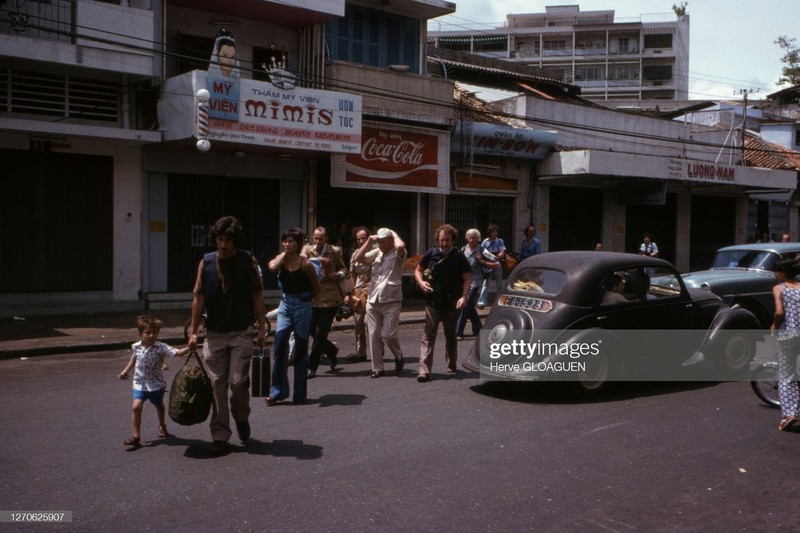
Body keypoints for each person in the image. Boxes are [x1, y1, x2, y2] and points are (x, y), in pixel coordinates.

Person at [188, 216, 267, 456]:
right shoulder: (206, 263)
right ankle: (220, 435)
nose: (223, 245)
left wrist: (262, 328)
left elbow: (257, 296)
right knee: (216, 387)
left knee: (237, 382)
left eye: (228, 241)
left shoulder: (247, 261)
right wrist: (193, 332)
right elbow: (199, 298)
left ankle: (241, 416)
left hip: (242, 331)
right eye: (220, 239)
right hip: (214, 334)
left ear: (235, 242)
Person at [265, 227, 321, 405]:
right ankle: (277, 391)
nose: (287, 244)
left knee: (300, 349)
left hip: (303, 307)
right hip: (285, 306)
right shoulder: (281, 261)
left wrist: (304, 303)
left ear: (299, 244)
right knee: (280, 346)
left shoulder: (306, 264)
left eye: (291, 241)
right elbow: (272, 267)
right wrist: (283, 254)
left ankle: (299, 394)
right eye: (285, 241)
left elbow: (316, 288)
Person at [119, 315, 189, 448]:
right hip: (139, 383)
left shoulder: (161, 347)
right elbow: (134, 360)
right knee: (136, 407)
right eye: (147, 332)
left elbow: (178, 353)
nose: (151, 335)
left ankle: (162, 425)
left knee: (158, 405)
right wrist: (125, 371)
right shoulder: (136, 347)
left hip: (156, 384)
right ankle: (136, 436)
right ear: (140, 334)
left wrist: (189, 347)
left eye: (155, 332)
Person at [415, 224, 471, 381]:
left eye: (447, 240)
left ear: (453, 239)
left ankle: (451, 363)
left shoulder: (459, 256)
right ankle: (424, 370)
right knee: (428, 335)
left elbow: (467, 278)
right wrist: (421, 282)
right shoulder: (431, 253)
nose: (444, 243)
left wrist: (464, 296)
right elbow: (418, 270)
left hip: (452, 303)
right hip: (433, 302)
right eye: (441, 240)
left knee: (450, 335)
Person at [352, 227, 407, 378]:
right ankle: (377, 368)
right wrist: (370, 241)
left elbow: (401, 245)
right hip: (373, 298)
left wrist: (393, 232)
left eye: (384, 241)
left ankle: (398, 355)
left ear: (390, 240)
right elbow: (358, 258)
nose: (381, 245)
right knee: (373, 334)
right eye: (380, 242)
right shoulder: (377, 253)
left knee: (388, 335)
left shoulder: (398, 253)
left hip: (391, 300)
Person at [302, 226, 347, 379]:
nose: (317, 241)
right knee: (311, 330)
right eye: (315, 237)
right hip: (314, 296)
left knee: (321, 332)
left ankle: (312, 367)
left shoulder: (334, 251)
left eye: (320, 238)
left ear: (326, 238)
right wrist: (316, 260)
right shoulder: (307, 249)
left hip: (331, 297)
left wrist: (338, 274)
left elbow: (343, 268)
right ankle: (331, 350)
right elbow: (301, 262)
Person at [770, 259, 800, 431]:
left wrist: (774, 325)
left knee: (787, 374)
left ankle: (789, 414)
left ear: (781, 273)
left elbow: (779, 312)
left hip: (789, 336)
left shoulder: (779, 288)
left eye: (776, 272)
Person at [457, 229, 498, 340]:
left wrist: (482, 261)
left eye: (474, 238)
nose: (471, 240)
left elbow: (496, 264)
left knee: (465, 305)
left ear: (478, 239)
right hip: (464, 282)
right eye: (469, 238)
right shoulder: (463, 250)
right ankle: (479, 329)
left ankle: (458, 332)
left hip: (476, 282)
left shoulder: (482, 251)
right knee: (470, 307)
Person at [346, 227, 371, 363]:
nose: (361, 241)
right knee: (359, 323)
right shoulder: (355, 254)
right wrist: (350, 293)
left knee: (370, 323)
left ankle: (377, 350)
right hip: (359, 292)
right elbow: (352, 275)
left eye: (363, 238)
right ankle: (360, 353)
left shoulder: (375, 253)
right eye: (359, 239)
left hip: (373, 291)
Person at [478, 224, 506, 309]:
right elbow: (481, 251)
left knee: (499, 282)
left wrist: (499, 256)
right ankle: (482, 302)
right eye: (493, 232)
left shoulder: (500, 241)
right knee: (486, 283)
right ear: (490, 233)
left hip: (497, 263)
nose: (495, 233)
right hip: (488, 263)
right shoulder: (485, 241)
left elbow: (502, 251)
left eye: (496, 232)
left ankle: (499, 300)